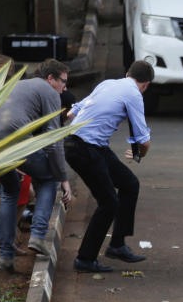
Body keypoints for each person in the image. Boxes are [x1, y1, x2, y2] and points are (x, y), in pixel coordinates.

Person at [64, 60, 153, 273]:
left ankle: (117, 245)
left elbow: (72, 112)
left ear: (127, 74)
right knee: (108, 203)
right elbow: (144, 140)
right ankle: (85, 259)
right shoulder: (134, 94)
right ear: (146, 84)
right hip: (85, 148)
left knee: (129, 184)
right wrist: (139, 153)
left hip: (81, 143)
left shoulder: (108, 83)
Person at [0, 59, 73, 272]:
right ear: (50, 79)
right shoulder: (49, 92)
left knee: (11, 189)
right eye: (63, 81)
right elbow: (53, 141)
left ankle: (5, 256)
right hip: (13, 141)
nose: (65, 87)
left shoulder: (17, 85)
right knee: (49, 177)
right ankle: (38, 234)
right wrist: (63, 178)